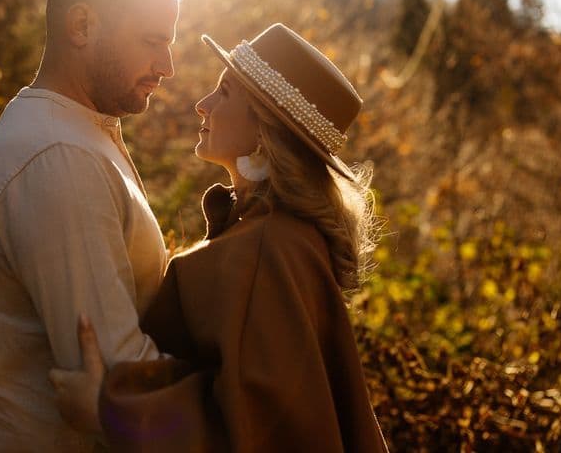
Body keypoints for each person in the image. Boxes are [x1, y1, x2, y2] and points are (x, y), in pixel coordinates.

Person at [49, 23, 389, 452]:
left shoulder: (268, 249)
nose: (202, 105)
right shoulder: (275, 236)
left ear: (264, 131)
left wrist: (109, 413)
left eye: (224, 93)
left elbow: (260, 430)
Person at [0, 0, 186, 452]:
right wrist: (253, 392)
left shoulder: (74, 135)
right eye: (151, 40)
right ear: (81, 26)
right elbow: (120, 382)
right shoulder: (58, 158)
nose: (167, 65)